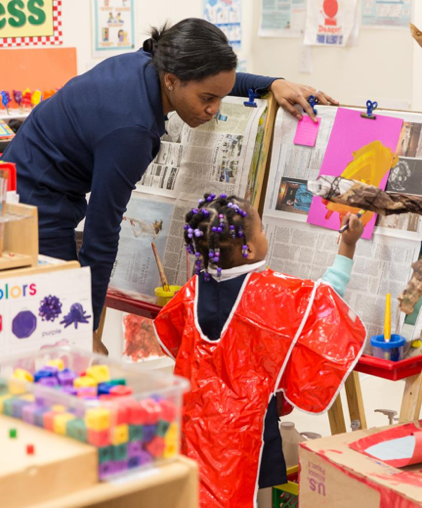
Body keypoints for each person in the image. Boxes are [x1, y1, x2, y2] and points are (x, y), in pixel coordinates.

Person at [0, 18, 338, 352]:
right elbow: (101, 235)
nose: (213, 110)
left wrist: (272, 83)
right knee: (57, 341)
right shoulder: (130, 133)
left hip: (31, 180)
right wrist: (86, 329)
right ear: (172, 80)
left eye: (219, 98)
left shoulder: (151, 62)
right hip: (33, 206)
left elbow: (211, 81)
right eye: (207, 98)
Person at [154, 193, 366, 508]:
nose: (266, 235)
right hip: (248, 433)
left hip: (194, 427)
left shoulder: (190, 292)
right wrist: (347, 246)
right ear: (249, 248)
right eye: (263, 230)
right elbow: (323, 303)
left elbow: (172, 339)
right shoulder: (267, 295)